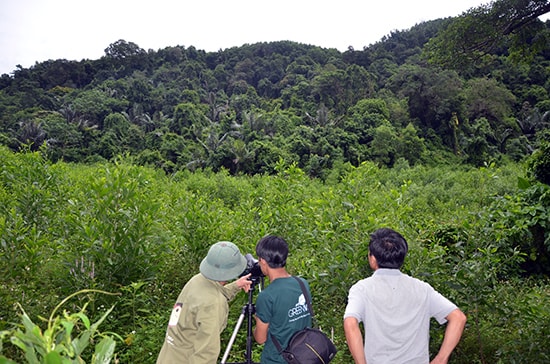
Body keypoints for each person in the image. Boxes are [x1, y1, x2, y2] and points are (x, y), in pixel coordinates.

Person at [343, 228, 467, 364]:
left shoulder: (362, 289)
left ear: (373, 258)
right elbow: (458, 318)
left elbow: (350, 323)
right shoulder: (422, 289)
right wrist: (441, 358)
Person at [156, 241, 252, 364]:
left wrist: (235, 286)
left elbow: (210, 294)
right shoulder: (214, 303)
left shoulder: (197, 280)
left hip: (168, 357)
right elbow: (205, 353)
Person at [253, 235, 313, 364]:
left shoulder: (267, 296)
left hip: (276, 359)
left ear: (263, 261)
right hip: (303, 357)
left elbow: (260, 339)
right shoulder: (302, 283)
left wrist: (257, 320)